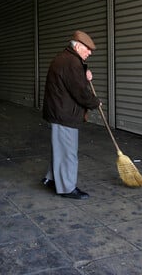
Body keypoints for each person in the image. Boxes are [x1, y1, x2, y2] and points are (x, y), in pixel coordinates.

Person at [42, 30, 101, 199]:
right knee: (68, 152)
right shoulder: (71, 63)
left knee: (60, 149)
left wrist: (84, 73)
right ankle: (67, 188)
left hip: (59, 111)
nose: (89, 52)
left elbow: (70, 80)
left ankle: (51, 179)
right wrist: (95, 102)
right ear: (77, 46)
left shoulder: (65, 59)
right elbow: (80, 92)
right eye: (87, 49)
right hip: (64, 114)